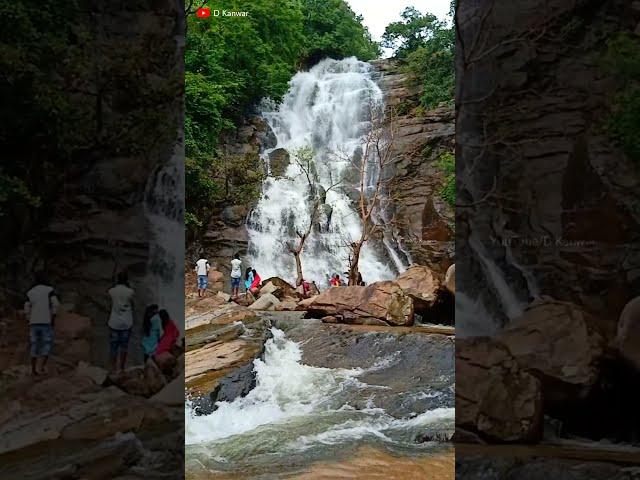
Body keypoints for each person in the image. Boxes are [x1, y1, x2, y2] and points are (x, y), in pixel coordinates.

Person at [25, 272, 60, 376]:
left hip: (33, 322)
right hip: (45, 321)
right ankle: (41, 367)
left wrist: (28, 318)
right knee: (46, 344)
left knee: (34, 344)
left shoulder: (30, 292)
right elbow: (56, 304)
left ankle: (33, 369)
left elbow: (27, 306)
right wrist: (53, 316)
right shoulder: (49, 290)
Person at [107, 272, 135, 373]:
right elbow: (132, 302)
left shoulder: (112, 291)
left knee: (113, 347)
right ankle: (122, 368)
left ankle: (112, 368)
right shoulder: (130, 292)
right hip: (126, 323)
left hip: (114, 322)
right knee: (124, 347)